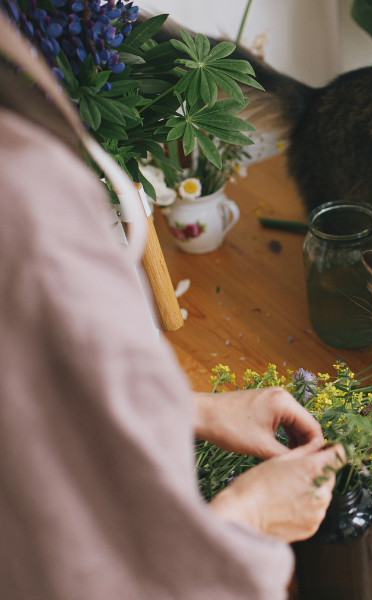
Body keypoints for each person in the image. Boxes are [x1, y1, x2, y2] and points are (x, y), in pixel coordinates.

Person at [0, 35, 343, 600]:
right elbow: (99, 573)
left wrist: (195, 410)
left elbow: (22, 405)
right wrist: (247, 516)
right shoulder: (23, 198)